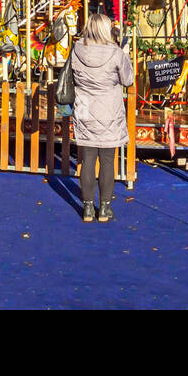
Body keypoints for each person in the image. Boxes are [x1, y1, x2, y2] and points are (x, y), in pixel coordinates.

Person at [67, 13, 135, 223]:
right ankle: (104, 208)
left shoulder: (77, 50)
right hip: (109, 109)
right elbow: (128, 79)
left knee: (87, 160)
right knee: (107, 160)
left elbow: (73, 75)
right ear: (106, 30)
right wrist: (125, 55)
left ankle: (87, 208)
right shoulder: (115, 53)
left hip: (85, 107)